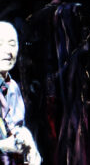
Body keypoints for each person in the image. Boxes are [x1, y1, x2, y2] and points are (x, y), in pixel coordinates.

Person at [0, 21, 41, 165]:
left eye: (12, 44)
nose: (7, 51)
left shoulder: (12, 87)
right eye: (0, 44)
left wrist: (28, 142)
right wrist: (4, 145)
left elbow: (17, 125)